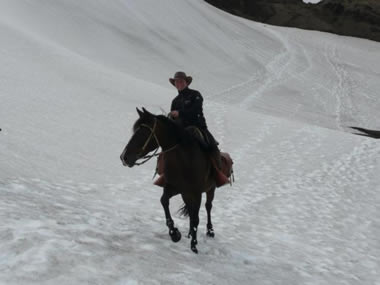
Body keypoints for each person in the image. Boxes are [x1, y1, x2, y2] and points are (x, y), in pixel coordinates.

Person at [168, 71, 229, 187]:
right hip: (181, 131)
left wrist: (179, 113)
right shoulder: (174, 101)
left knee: (212, 146)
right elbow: (173, 120)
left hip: (198, 127)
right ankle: (166, 175)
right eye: (176, 82)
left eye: (181, 81)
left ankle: (218, 174)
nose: (179, 83)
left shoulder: (195, 95)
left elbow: (196, 111)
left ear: (186, 82)